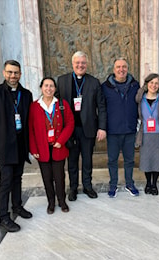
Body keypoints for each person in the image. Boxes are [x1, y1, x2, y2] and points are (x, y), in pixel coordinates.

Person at [0, 60, 33, 233]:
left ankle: (17, 206)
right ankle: (3, 216)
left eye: (16, 73)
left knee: (17, 177)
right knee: (5, 181)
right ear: (4, 73)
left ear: (20, 74)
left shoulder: (26, 95)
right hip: (3, 146)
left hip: (20, 145)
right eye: (10, 72)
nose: (13, 76)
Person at [56, 51, 107, 201]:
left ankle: (87, 186)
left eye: (83, 63)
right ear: (72, 64)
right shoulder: (62, 80)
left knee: (87, 160)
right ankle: (73, 188)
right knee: (71, 160)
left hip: (88, 128)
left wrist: (102, 127)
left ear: (87, 64)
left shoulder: (94, 82)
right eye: (77, 63)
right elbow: (57, 104)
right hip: (69, 129)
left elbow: (101, 106)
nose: (80, 65)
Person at [29, 77, 74, 214]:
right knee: (46, 177)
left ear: (55, 89)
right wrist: (33, 149)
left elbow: (70, 123)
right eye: (46, 86)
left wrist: (61, 140)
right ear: (41, 88)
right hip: (42, 148)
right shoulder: (34, 106)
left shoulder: (62, 104)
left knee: (59, 177)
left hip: (58, 147)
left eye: (51, 86)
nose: (49, 88)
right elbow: (30, 129)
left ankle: (62, 200)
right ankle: (51, 202)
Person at [101, 57, 140, 198]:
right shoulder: (105, 87)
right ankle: (113, 184)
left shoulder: (135, 85)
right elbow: (102, 108)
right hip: (112, 131)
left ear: (127, 69)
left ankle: (130, 183)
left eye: (124, 67)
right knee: (112, 160)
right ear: (114, 69)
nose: (121, 69)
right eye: (118, 67)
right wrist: (102, 127)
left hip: (129, 130)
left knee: (129, 159)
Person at [135, 73, 159, 196]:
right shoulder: (140, 98)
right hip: (145, 134)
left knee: (157, 161)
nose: (153, 85)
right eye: (151, 82)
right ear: (147, 84)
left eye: (156, 83)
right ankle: (148, 183)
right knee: (146, 161)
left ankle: (154, 184)